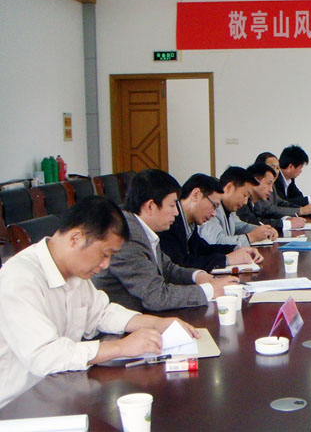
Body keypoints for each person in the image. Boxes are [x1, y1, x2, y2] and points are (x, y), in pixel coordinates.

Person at [0, 196, 199, 408]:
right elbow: (45, 355)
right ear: (75, 238)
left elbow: (102, 313)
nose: (106, 265)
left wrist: (157, 323)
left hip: (60, 391)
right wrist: (120, 347)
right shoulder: (20, 278)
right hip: (19, 406)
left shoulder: (74, 272)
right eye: (104, 254)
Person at [92, 169, 238, 311]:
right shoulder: (128, 237)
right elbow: (156, 297)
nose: (176, 212)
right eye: (172, 205)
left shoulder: (143, 229)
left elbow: (167, 268)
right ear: (150, 206)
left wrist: (198, 276)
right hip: (125, 322)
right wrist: (210, 290)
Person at [159, 173, 263, 272]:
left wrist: (237, 249)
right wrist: (227, 259)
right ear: (196, 195)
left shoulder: (189, 221)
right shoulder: (170, 222)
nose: (214, 214)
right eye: (213, 206)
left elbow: (203, 249)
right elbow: (181, 264)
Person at [198, 166, 278, 246]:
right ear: (229, 188)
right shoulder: (211, 208)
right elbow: (216, 242)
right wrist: (250, 237)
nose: (245, 202)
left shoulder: (229, 207)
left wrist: (264, 231)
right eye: (245, 195)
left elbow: (240, 227)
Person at [237, 163, 306, 231]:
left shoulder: (259, 201)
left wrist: (287, 219)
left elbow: (271, 213)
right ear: (256, 181)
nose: (271, 190)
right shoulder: (241, 201)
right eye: (268, 183)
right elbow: (254, 222)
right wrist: (287, 224)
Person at [255, 152, 311, 217]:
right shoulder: (256, 187)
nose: (276, 172)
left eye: (277, 168)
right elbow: (270, 209)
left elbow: (281, 203)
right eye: (272, 167)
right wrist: (300, 211)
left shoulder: (272, 185)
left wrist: (303, 209)